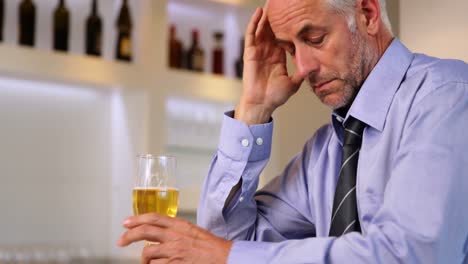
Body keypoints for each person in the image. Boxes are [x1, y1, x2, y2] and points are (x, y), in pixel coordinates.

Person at [117, 0, 468, 263]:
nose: (302, 68)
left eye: (314, 38)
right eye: (288, 49)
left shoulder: (446, 96)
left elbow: (411, 254)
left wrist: (224, 255)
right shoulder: (326, 149)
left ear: (368, 13)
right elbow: (231, 238)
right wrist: (253, 109)